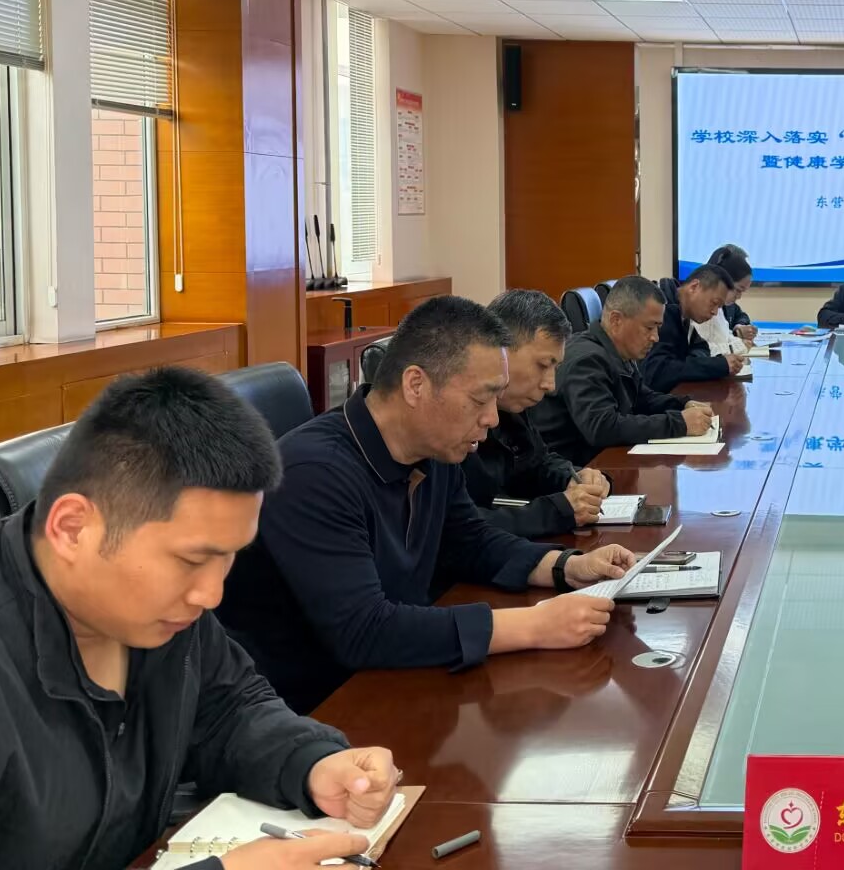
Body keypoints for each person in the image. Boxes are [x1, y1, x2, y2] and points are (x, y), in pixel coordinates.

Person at [0, 367, 402, 869]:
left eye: (229, 557)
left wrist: (311, 762)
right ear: (72, 528)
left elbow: (228, 708)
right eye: (192, 560)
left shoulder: (156, 609)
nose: (212, 594)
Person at [218, 296, 637, 714]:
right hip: (316, 708)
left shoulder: (434, 450)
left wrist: (566, 567)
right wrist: (535, 624)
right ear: (415, 385)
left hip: (399, 677)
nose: (492, 419)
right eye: (481, 399)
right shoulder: (314, 472)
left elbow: (470, 541)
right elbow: (364, 631)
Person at [461, 289, 612, 539]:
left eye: (555, 368)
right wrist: (557, 511)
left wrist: (573, 477)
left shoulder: (513, 405)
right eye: (542, 365)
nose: (550, 385)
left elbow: (535, 464)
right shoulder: (452, 419)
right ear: (501, 352)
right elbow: (456, 526)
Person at [543, 275, 716, 467]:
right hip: (573, 471)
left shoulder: (617, 351)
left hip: (600, 464)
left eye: (658, 328)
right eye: (649, 328)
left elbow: (641, 398)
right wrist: (680, 423)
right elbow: (602, 428)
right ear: (616, 320)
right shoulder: (587, 360)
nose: (656, 338)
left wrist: (682, 404)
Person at [643, 264, 746, 391]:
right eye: (714, 303)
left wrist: (690, 362)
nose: (714, 312)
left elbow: (701, 347)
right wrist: (718, 365)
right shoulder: (662, 311)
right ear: (694, 287)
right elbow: (657, 373)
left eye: (719, 307)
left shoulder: (684, 314)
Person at [710, 244, 758, 344]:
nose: (739, 296)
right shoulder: (705, 305)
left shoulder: (727, 303)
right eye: (738, 290)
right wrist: (736, 335)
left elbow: (741, 315)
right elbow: (710, 344)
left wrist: (739, 326)